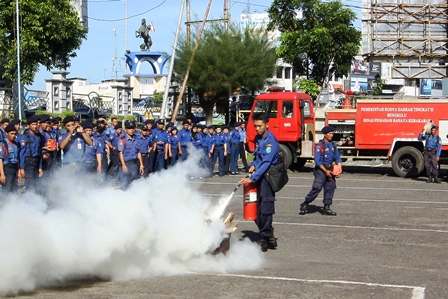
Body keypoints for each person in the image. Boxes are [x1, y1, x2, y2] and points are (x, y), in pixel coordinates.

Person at [239, 112, 279, 252]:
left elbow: (267, 162)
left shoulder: (271, 141)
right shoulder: (258, 138)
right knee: (253, 206)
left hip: (267, 177)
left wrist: (252, 178)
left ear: (267, 125)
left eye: (259, 126)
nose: (257, 129)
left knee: (266, 208)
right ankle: (268, 232)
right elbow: (258, 157)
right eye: (255, 126)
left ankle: (264, 237)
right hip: (258, 174)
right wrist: (253, 164)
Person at [300, 126, 342, 216]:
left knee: (330, 188)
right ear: (325, 134)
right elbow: (318, 161)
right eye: (330, 134)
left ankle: (326, 207)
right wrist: (325, 171)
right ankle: (305, 203)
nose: (331, 135)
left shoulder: (333, 145)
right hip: (321, 170)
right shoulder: (320, 145)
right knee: (317, 188)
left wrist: (339, 169)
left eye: (332, 134)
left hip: (330, 169)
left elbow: (337, 158)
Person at [17, 115, 43, 192]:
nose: (35, 126)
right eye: (33, 124)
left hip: (36, 161)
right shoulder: (24, 137)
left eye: (36, 124)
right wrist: (21, 168)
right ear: (28, 125)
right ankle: (27, 201)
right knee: (29, 184)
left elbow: (39, 152)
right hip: (28, 162)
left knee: (36, 183)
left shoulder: (38, 137)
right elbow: (22, 153)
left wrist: (40, 167)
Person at [117, 120, 144, 190]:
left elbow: (138, 152)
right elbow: (121, 153)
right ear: (126, 129)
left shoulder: (136, 139)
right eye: (129, 128)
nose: (131, 130)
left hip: (135, 163)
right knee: (125, 183)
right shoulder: (122, 139)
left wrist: (141, 165)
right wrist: (123, 165)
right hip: (126, 163)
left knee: (135, 183)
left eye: (132, 128)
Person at [0, 124, 21, 194]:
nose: (13, 136)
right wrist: (2, 174)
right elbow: (0, 160)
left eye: (15, 134)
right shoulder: (3, 144)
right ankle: (5, 204)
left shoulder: (15, 144)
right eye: (11, 134)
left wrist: (19, 171)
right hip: (7, 169)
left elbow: (17, 159)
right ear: (6, 133)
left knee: (14, 189)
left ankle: (13, 204)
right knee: (6, 190)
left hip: (14, 168)